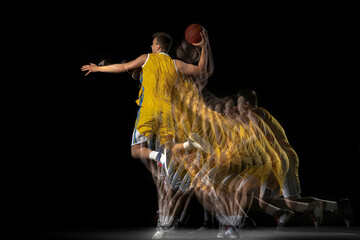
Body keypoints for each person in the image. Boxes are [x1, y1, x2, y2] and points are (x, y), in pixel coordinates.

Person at [81, 31, 212, 173]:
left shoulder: (147, 58)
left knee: (136, 150)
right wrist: (204, 46)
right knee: (169, 148)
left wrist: (98, 68)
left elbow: (122, 67)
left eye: (153, 43)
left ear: (158, 48)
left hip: (149, 110)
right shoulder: (176, 64)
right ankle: (190, 144)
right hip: (167, 114)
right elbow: (201, 70)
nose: (151, 45)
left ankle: (160, 157)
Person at [236, 89, 353, 228]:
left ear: (247, 104)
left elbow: (255, 138)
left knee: (264, 201)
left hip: (280, 158)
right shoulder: (259, 114)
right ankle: (338, 205)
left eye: (239, 103)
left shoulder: (254, 113)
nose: (237, 107)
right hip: (286, 156)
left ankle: (293, 212)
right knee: (293, 201)